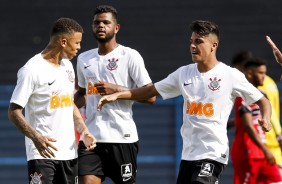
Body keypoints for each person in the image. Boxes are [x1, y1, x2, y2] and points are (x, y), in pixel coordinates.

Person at [97, 20, 273, 184]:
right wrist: (119, 94)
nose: (193, 46)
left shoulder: (230, 75)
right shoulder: (183, 74)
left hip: (213, 152)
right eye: (191, 41)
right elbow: (151, 90)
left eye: (199, 42)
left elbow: (262, 100)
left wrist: (266, 117)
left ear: (214, 46)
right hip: (189, 155)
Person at [8, 17, 96, 184]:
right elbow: (13, 112)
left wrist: (84, 131)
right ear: (63, 41)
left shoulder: (68, 67)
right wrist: (37, 138)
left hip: (69, 153)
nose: (79, 47)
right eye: (76, 43)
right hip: (42, 154)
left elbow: (69, 104)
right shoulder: (31, 70)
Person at [74, 5, 156, 184]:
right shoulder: (84, 59)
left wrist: (117, 90)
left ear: (116, 27)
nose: (101, 26)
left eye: (106, 22)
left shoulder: (130, 56)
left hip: (122, 138)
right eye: (96, 23)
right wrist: (65, 108)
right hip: (92, 138)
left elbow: (151, 96)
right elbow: (81, 93)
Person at [231, 58, 282, 183]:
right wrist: (265, 149)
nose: (264, 77)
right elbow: (248, 125)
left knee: (277, 181)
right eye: (260, 73)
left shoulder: (262, 95)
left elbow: (271, 115)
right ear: (249, 73)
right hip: (247, 152)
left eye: (265, 72)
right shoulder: (243, 95)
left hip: (261, 151)